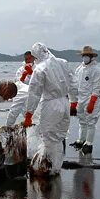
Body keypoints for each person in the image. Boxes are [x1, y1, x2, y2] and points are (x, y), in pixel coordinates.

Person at [22, 42, 74, 176]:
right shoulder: (63, 62)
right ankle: (56, 167)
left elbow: (34, 93)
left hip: (50, 104)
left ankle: (45, 167)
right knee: (58, 136)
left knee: (47, 137)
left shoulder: (40, 69)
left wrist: (28, 114)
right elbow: (73, 82)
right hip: (64, 102)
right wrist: (74, 101)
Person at [70, 46, 100, 155]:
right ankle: (81, 140)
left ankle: (89, 143)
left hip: (90, 100)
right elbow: (74, 86)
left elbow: (97, 87)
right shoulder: (79, 69)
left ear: (91, 57)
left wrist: (92, 102)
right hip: (80, 99)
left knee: (91, 122)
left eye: (87, 55)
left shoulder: (96, 70)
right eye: (84, 55)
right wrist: (73, 101)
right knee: (82, 121)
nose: (85, 57)